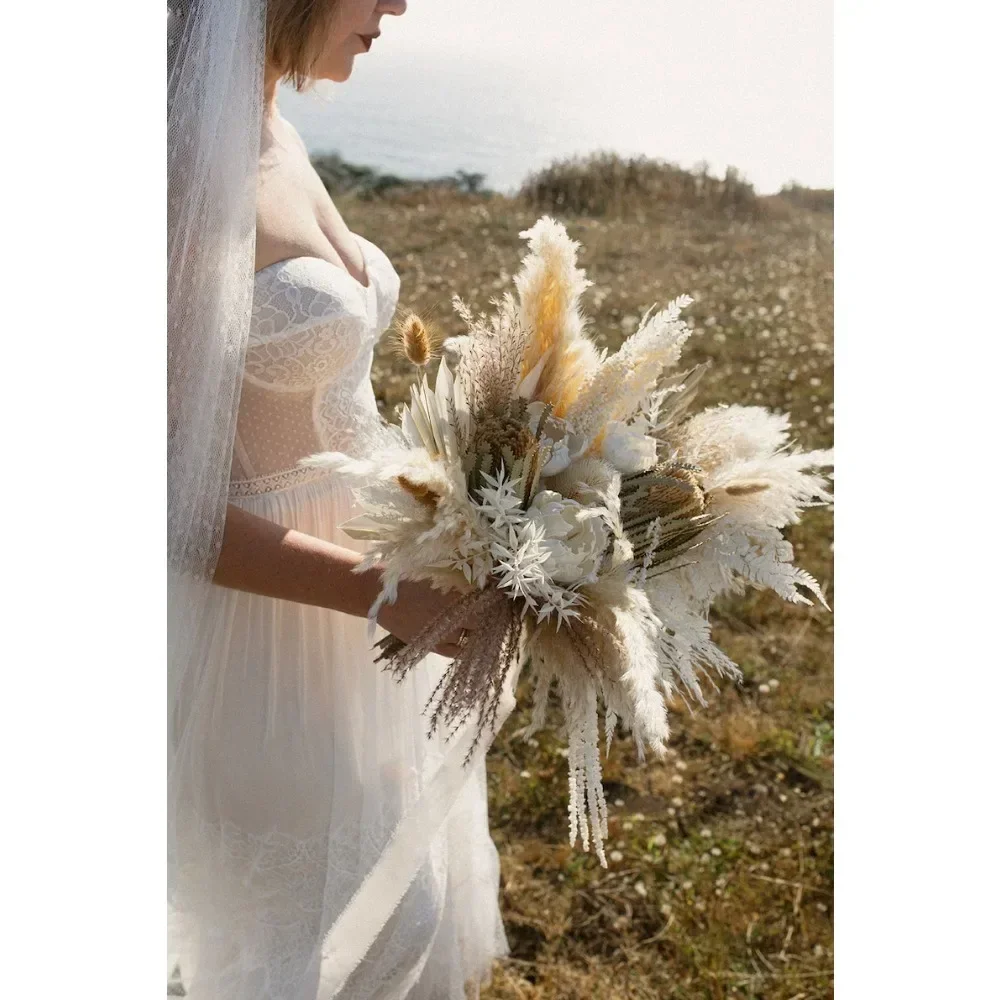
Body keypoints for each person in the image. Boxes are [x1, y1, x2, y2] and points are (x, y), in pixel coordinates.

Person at [167, 2, 508, 997]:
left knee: (396, 922)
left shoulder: (269, 126)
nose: (398, 4)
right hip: (260, 650)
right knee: (350, 942)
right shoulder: (170, 169)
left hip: (356, 630)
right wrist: (388, 594)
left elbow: (320, 413)